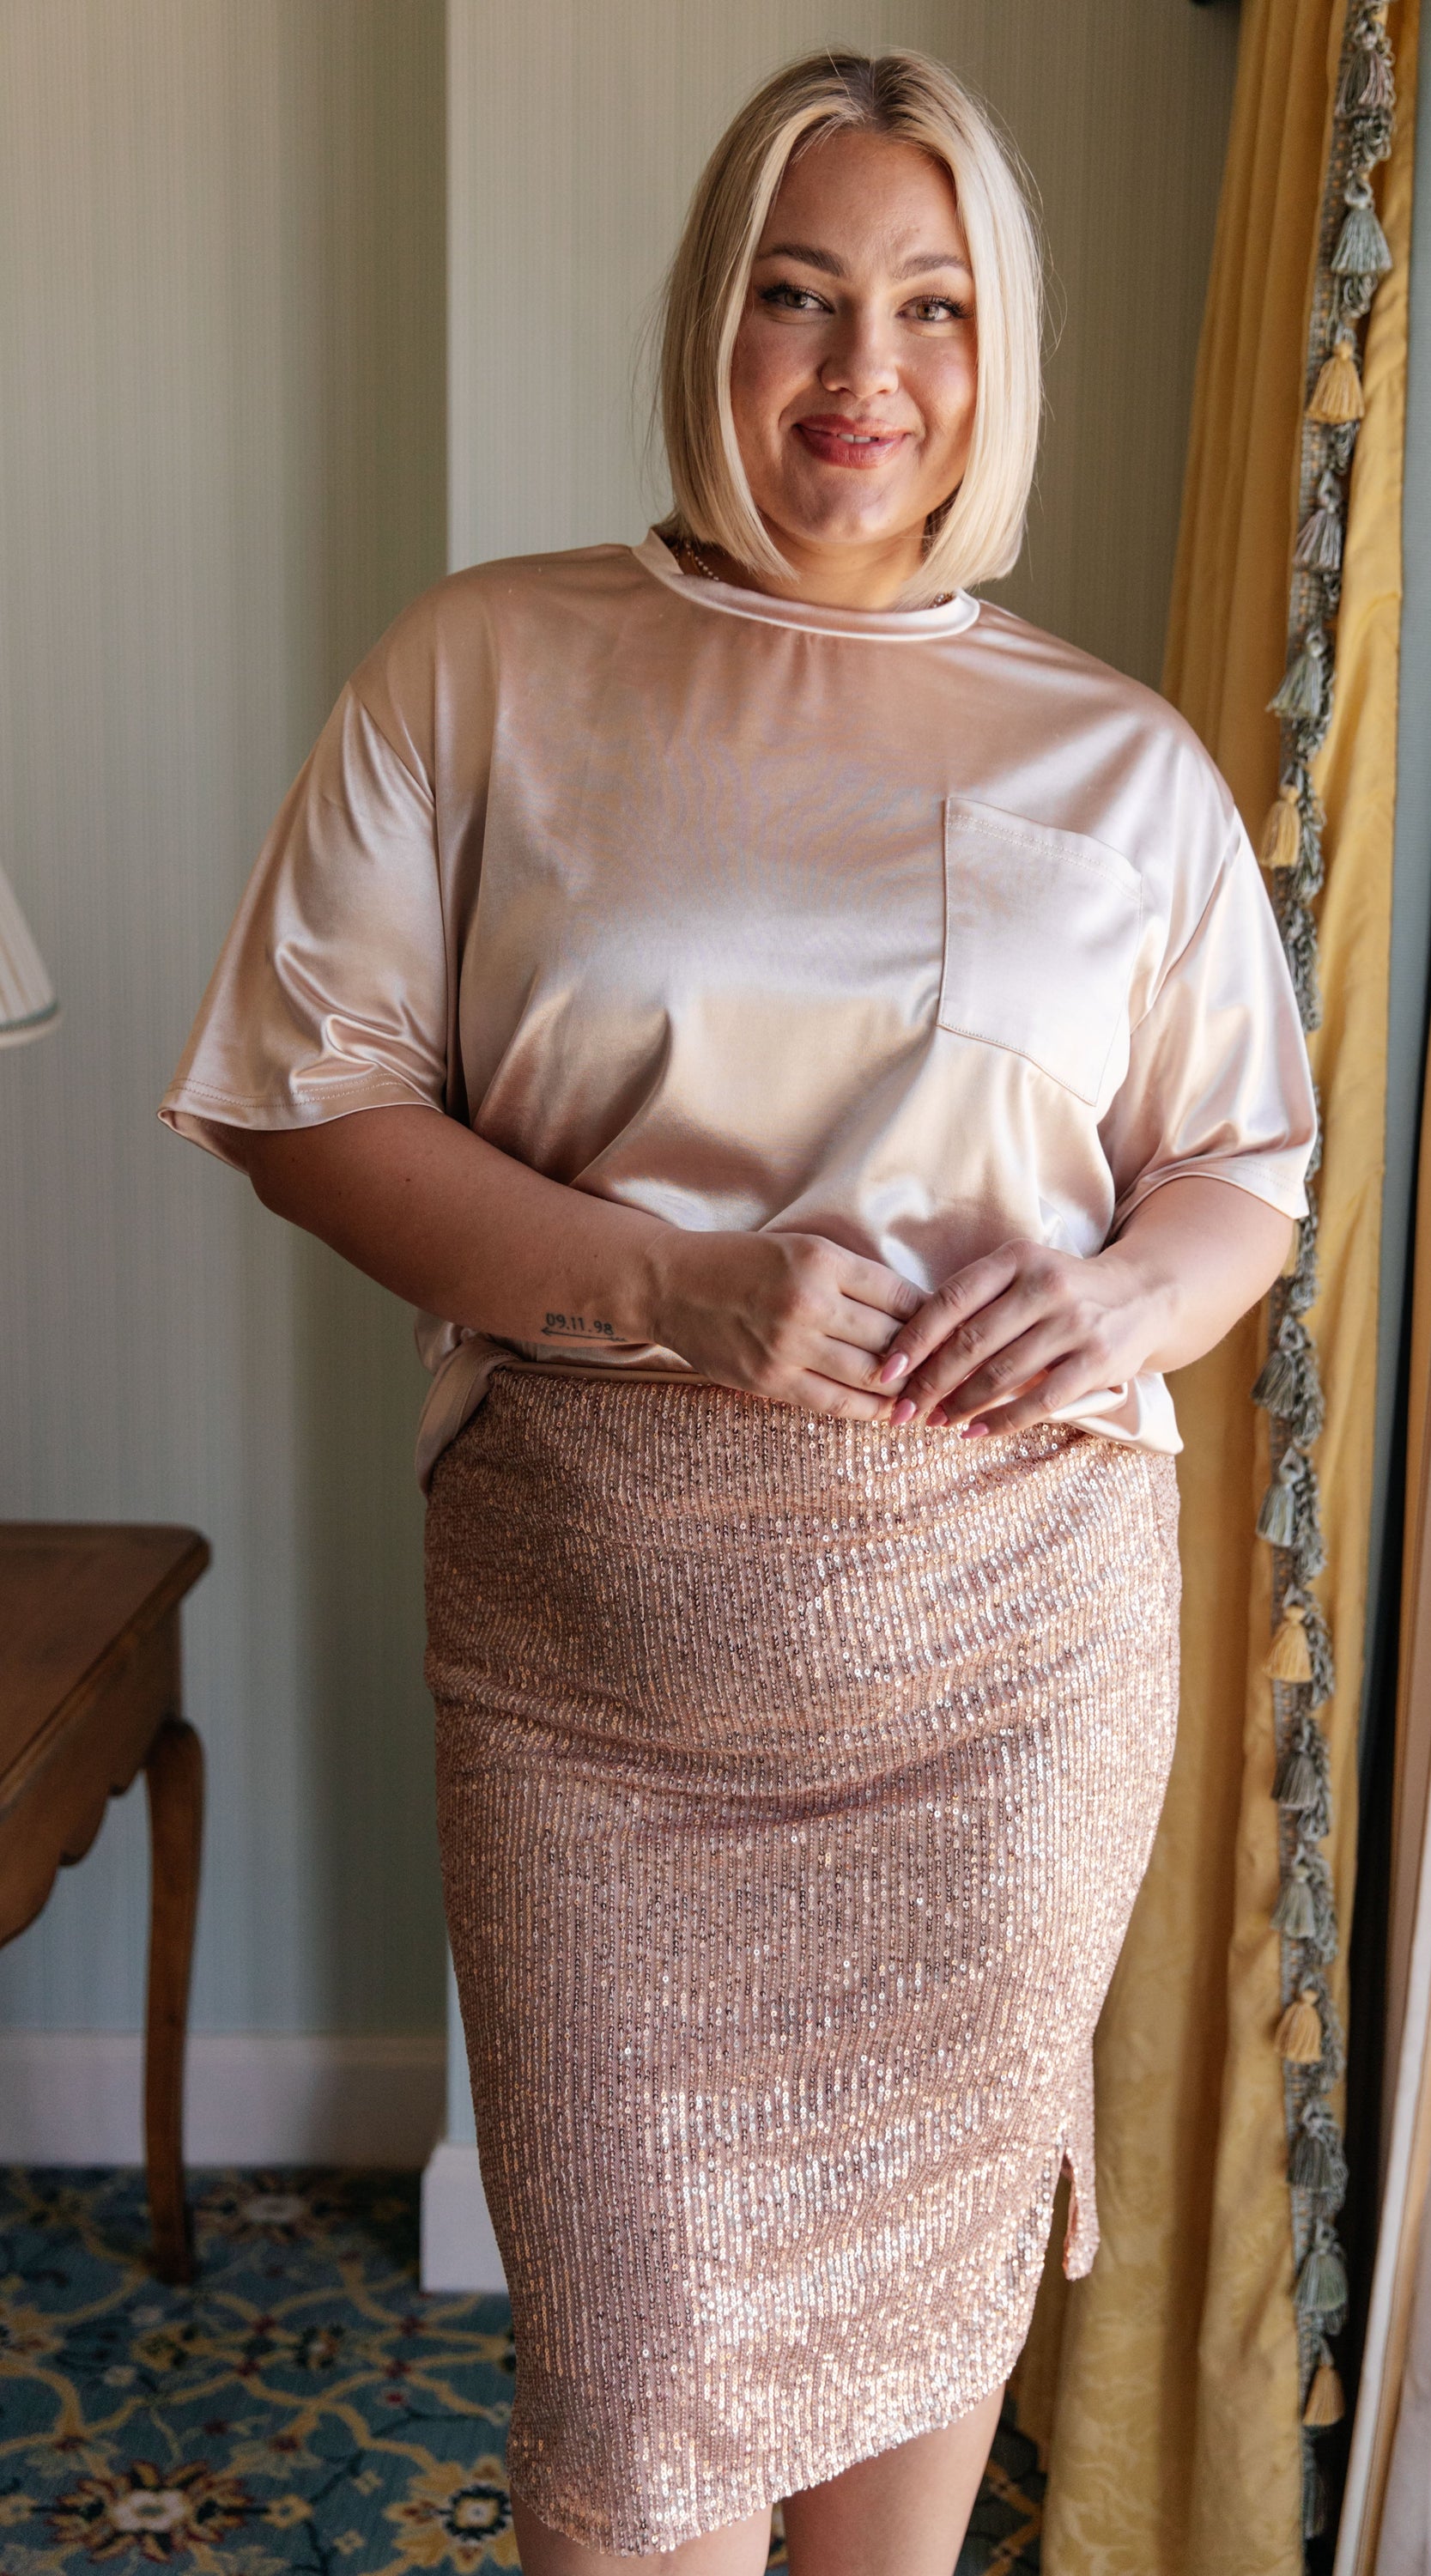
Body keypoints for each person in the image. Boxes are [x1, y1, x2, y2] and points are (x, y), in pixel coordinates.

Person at [160, 47, 1315, 2576]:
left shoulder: (1123, 763)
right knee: (629, 2448)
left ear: (999, 353)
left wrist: (1129, 1289)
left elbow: (1247, 1171)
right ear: (712, 316)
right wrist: (670, 1284)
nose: (859, 372)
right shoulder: (485, 664)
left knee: (909, 2409)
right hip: (601, 1689)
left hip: (1006, 1682)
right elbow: (300, 1103)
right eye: (800, 295)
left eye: (930, 305)